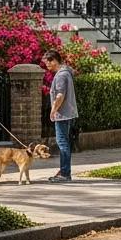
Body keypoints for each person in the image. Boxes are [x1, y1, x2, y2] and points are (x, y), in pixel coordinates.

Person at [44, 49, 78, 182]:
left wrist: (53, 110)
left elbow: (60, 95)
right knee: (64, 142)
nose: (47, 66)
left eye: (48, 63)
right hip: (67, 113)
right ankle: (64, 170)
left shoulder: (61, 75)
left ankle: (65, 173)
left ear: (53, 60)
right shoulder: (66, 73)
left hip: (62, 114)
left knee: (62, 143)